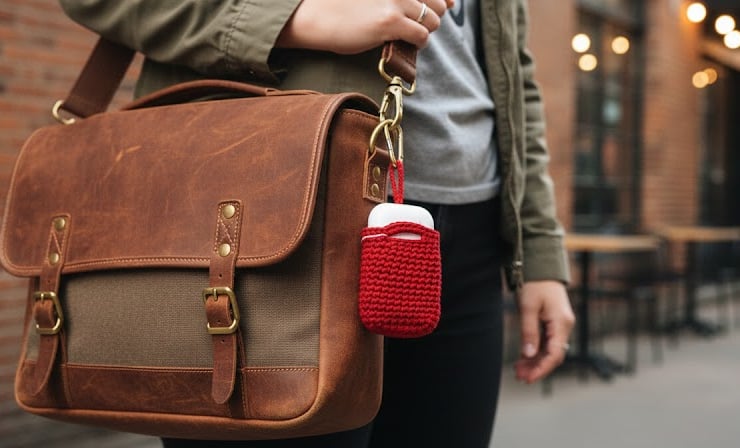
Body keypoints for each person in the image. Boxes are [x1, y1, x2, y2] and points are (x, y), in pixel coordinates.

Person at [58, 0, 576, 446]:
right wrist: (295, 16)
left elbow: (512, 72)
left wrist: (539, 251)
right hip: (277, 216)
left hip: (467, 235)